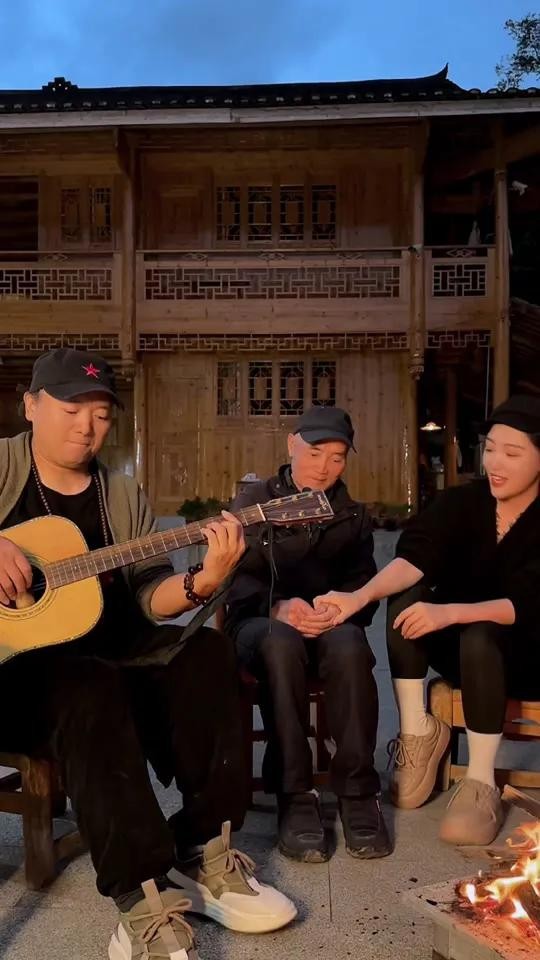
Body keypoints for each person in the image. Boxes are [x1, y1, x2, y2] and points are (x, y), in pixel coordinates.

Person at [0, 348, 296, 960]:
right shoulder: (2, 464)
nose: (86, 426)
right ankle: (140, 899)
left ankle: (202, 850)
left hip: (111, 655)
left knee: (207, 653)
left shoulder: (120, 493)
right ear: (30, 406)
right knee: (88, 687)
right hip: (19, 676)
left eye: (101, 414)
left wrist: (203, 581)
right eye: (71, 409)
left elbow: (149, 595)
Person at [315, 395, 540, 846]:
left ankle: (480, 782)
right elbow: (416, 558)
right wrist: (358, 597)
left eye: (512, 454)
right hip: (463, 653)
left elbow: (530, 602)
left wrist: (451, 612)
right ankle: (417, 731)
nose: (495, 463)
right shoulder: (462, 502)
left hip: (527, 655)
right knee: (406, 598)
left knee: (480, 633)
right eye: (490, 449)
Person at [225, 406, 391, 863]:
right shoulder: (254, 503)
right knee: (280, 643)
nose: (324, 467)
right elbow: (230, 582)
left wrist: (341, 606)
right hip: (260, 623)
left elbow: (365, 586)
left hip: (327, 625)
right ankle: (294, 793)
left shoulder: (351, 515)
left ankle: (358, 791)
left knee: (352, 645)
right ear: (291, 445)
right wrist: (276, 607)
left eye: (337, 458)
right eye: (315, 453)